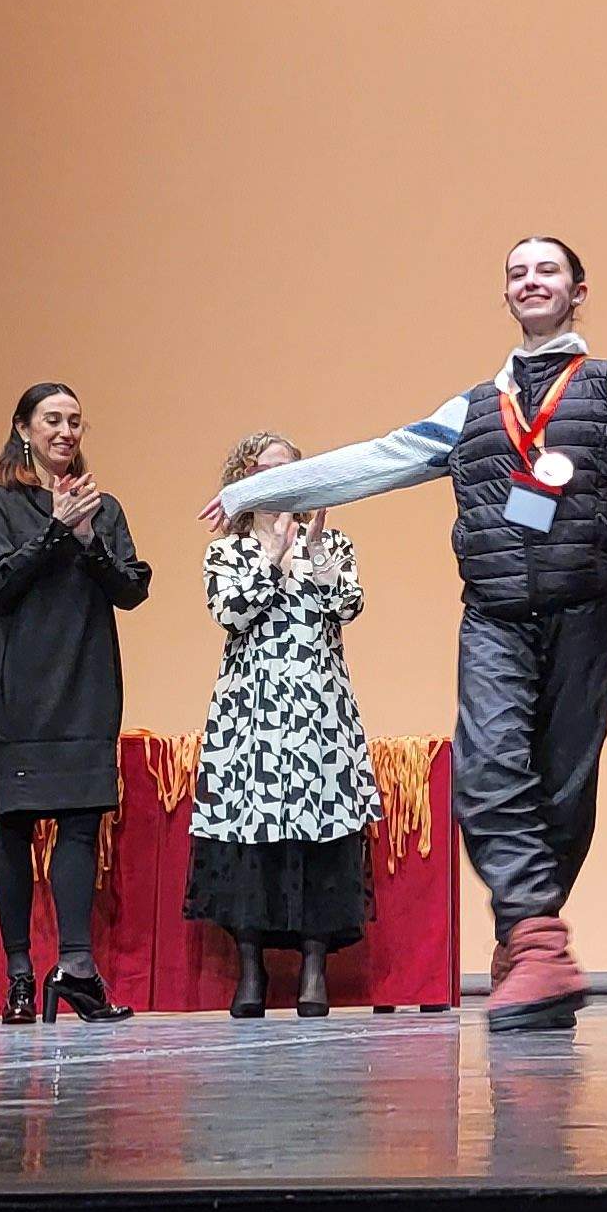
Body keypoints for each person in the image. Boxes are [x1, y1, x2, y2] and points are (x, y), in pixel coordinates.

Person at [200, 236, 607, 1031]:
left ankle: (528, 940)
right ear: (507, 296)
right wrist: (260, 487)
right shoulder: (472, 411)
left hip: (586, 610)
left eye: (546, 269)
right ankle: (536, 935)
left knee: (563, 790)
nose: (531, 280)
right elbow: (376, 461)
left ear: (577, 291)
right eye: (517, 272)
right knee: (486, 771)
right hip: (492, 612)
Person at [0, 382, 150, 1024]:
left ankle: (76, 969)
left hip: (87, 684)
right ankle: (19, 975)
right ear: (24, 428)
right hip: (22, 688)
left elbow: (132, 588)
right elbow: (3, 578)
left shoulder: (105, 508)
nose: (66, 431)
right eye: (53, 420)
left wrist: (85, 534)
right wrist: (56, 528)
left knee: (80, 824)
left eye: (76, 421)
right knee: (15, 826)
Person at [190, 433, 379, 1019]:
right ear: (246, 478)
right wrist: (271, 555)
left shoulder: (332, 543)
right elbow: (232, 612)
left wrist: (314, 550)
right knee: (249, 839)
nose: (281, 482)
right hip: (250, 716)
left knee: (321, 839)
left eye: (291, 472)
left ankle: (314, 971)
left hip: (319, 713)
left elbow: (347, 605)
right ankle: (251, 972)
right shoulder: (227, 550)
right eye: (268, 472)